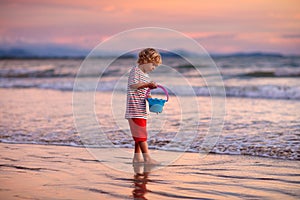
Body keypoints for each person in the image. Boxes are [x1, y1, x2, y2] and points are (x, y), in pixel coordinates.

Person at [125, 48, 162, 164]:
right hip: (134, 109)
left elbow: (147, 93)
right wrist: (147, 84)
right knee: (141, 135)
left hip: (141, 109)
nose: (153, 68)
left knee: (138, 135)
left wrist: (153, 103)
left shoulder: (146, 76)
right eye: (153, 65)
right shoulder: (135, 71)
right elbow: (133, 85)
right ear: (146, 60)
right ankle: (147, 158)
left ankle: (137, 158)